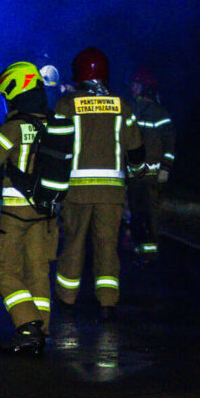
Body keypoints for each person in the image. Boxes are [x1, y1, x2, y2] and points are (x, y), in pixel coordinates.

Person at [0, 61, 59, 355]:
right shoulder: (51, 123)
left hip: (16, 215)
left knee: (3, 269)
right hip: (46, 213)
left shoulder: (14, 127)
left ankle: (26, 324)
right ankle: (40, 329)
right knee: (37, 272)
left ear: (17, 90)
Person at [53, 47, 143, 322]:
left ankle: (67, 299)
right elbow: (136, 150)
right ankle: (107, 303)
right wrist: (136, 174)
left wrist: (52, 189)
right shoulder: (121, 106)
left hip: (76, 192)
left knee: (73, 244)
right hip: (111, 194)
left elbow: (56, 149)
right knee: (106, 246)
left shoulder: (67, 105)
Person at [126, 67, 177, 259]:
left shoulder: (142, 111)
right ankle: (144, 251)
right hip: (143, 175)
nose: (133, 88)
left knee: (145, 213)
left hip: (145, 175)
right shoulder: (152, 111)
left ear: (146, 88)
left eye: (137, 85)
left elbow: (169, 143)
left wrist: (165, 167)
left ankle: (147, 252)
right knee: (142, 213)